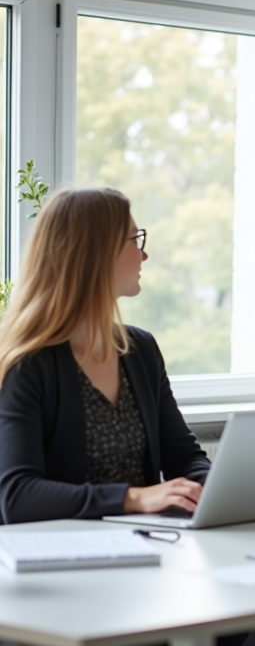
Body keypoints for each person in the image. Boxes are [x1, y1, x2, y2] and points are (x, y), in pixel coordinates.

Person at [0, 187, 210, 524]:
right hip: (58, 557)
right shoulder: (27, 364)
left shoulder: (141, 350)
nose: (144, 255)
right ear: (93, 253)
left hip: (145, 546)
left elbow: (183, 457)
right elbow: (17, 496)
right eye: (134, 239)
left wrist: (212, 486)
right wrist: (134, 498)